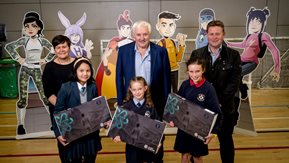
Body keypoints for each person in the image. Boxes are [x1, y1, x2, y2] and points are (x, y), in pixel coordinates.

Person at [116, 20, 171, 162]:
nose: (142, 38)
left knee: (156, 146)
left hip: (155, 103)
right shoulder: (123, 51)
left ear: (150, 34)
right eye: (138, 34)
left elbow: (166, 80)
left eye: (145, 34)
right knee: (133, 143)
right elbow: (118, 78)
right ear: (134, 35)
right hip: (132, 103)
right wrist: (122, 103)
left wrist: (166, 107)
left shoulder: (161, 52)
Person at [190, 20, 242, 163]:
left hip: (225, 108)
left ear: (223, 35)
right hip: (201, 108)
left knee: (225, 141)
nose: (214, 37)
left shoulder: (234, 55)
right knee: (196, 142)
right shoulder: (197, 54)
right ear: (206, 35)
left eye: (217, 34)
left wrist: (217, 102)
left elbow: (234, 83)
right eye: (211, 34)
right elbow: (193, 81)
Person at [4, 11, 54, 135]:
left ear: (39, 28)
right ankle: (20, 125)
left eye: (33, 26)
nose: (30, 29)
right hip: (25, 69)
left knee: (44, 97)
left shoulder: (42, 41)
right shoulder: (23, 40)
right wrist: (19, 59)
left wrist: (45, 60)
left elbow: (53, 50)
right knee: (23, 99)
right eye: (27, 26)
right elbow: (9, 47)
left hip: (37, 69)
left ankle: (54, 123)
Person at [170, 56, 222, 163]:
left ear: (203, 70)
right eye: (191, 71)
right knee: (185, 155)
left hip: (199, 128)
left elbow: (217, 113)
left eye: (197, 71)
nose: (194, 75)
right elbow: (178, 105)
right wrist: (173, 119)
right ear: (188, 71)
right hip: (184, 128)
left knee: (197, 156)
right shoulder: (185, 85)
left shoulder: (208, 89)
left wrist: (214, 132)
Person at [53, 57, 102, 163]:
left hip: (90, 134)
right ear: (75, 71)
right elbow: (57, 112)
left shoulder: (93, 87)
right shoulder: (66, 87)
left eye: (88, 70)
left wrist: (104, 120)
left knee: (90, 159)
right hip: (74, 134)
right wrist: (58, 134)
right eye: (81, 70)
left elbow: (96, 109)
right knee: (76, 160)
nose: (85, 74)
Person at [227, 7, 280, 99]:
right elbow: (243, 45)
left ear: (262, 24)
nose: (253, 24)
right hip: (241, 60)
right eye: (252, 21)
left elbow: (274, 50)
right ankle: (243, 89)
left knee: (234, 75)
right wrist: (228, 44)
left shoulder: (263, 36)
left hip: (251, 63)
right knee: (236, 77)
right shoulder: (249, 36)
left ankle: (234, 99)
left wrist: (277, 68)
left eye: (258, 21)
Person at [113, 76, 160, 163]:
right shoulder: (126, 107)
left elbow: (158, 126)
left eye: (140, 89)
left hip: (146, 146)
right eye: (134, 89)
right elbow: (117, 127)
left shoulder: (150, 107)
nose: (137, 92)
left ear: (145, 88)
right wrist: (116, 135)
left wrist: (159, 140)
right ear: (130, 90)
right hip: (132, 148)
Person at [95, 10, 134, 99]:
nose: (126, 30)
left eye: (128, 28)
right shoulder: (114, 41)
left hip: (129, 72)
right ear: (119, 29)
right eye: (123, 28)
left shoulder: (133, 42)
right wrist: (105, 68)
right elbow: (106, 56)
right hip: (113, 70)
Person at [42, 35, 76, 123]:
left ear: (69, 48)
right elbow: (48, 92)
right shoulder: (49, 67)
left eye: (64, 47)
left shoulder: (78, 63)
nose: (61, 50)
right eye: (58, 47)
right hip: (58, 108)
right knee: (62, 136)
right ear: (54, 50)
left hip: (78, 107)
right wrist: (63, 108)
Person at [156, 11, 186, 93]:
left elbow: (178, 59)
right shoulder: (160, 44)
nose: (167, 29)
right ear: (158, 26)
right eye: (164, 25)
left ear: (174, 26)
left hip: (175, 70)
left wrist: (182, 44)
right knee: (166, 90)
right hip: (165, 71)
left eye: (171, 25)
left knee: (175, 90)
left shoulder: (173, 42)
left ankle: (175, 105)